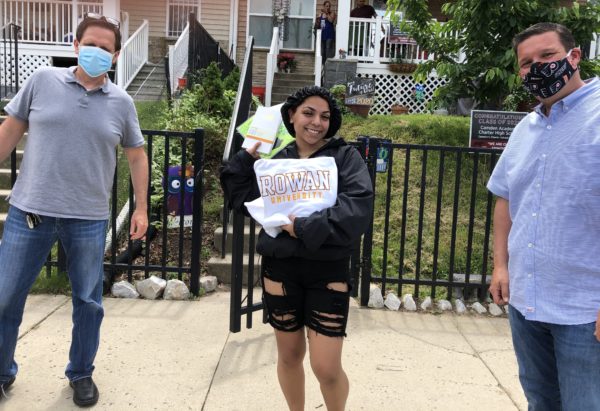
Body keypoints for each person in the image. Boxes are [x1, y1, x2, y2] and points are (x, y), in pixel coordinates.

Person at [0, 14, 148, 407]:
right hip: (29, 211)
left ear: (115, 55)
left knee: (88, 302)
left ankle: (81, 373)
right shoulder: (42, 82)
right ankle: (2, 370)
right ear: (76, 46)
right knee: (5, 296)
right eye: (91, 44)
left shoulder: (122, 103)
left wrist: (142, 208)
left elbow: (136, 156)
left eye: (106, 47)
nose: (97, 52)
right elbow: (10, 131)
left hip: (88, 217)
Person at [221, 86, 373, 411]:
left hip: (327, 270)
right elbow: (239, 194)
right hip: (282, 269)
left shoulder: (344, 158)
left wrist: (300, 226)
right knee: (289, 357)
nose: (317, 122)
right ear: (291, 116)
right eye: (308, 112)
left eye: (325, 116)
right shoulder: (275, 159)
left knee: (326, 368)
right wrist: (250, 152)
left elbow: (357, 208)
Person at [487, 22, 600, 410]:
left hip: (585, 311)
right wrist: (501, 266)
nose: (536, 67)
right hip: (528, 302)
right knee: (541, 403)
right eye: (526, 63)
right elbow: (505, 198)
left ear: (574, 56)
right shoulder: (526, 128)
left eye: (547, 56)